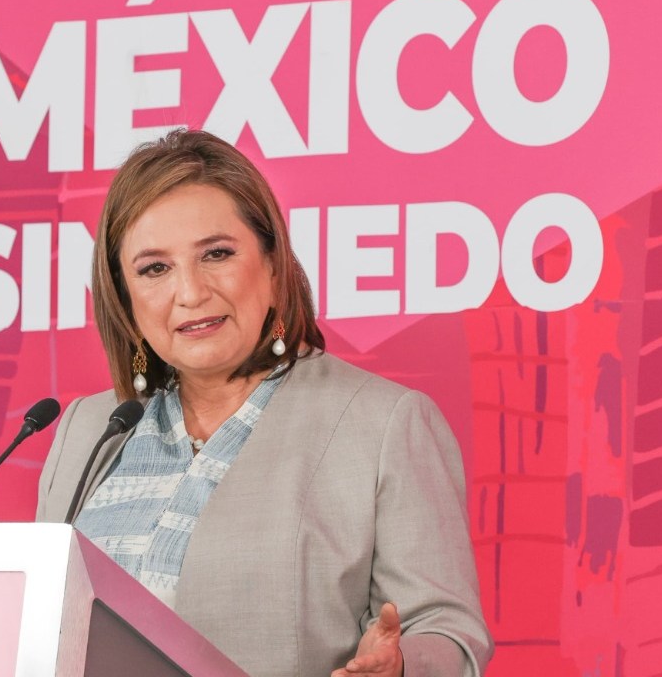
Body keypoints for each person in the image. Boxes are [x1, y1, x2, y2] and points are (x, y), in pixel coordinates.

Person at [35, 129, 492, 676]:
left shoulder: (383, 424)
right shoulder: (87, 430)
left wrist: (400, 667)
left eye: (217, 254)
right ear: (124, 296)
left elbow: (445, 629)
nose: (191, 292)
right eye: (155, 268)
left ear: (273, 265)